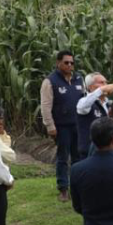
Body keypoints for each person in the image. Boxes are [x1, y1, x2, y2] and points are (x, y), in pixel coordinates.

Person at [40, 50, 85, 202]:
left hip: (77, 125)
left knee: (78, 157)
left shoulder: (79, 78)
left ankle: (77, 187)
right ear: (58, 63)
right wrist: (50, 126)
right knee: (63, 157)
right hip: (61, 126)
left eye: (72, 62)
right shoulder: (50, 81)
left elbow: (84, 101)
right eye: (66, 62)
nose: (69, 65)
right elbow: (46, 106)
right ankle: (63, 189)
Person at [76, 72, 113, 159]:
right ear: (90, 87)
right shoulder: (84, 102)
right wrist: (101, 90)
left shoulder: (108, 104)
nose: (105, 85)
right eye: (101, 83)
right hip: (88, 152)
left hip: (107, 151)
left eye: (106, 83)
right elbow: (82, 106)